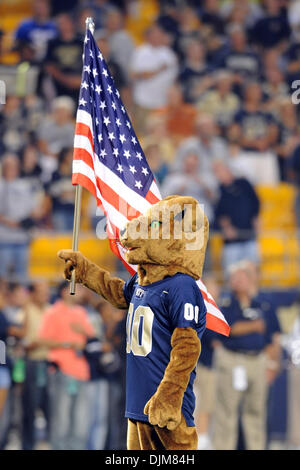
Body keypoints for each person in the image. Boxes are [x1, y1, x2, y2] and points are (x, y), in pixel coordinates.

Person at [212, 262, 273, 450]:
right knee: (227, 412)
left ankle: (257, 446)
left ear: (250, 280)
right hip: (233, 360)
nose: (239, 281)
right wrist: (253, 326)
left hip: (257, 360)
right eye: (235, 278)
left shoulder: (260, 303)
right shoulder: (226, 303)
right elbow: (228, 328)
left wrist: (272, 364)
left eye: (243, 277)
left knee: (256, 411)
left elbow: (271, 335)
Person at [38, 282, 95, 450]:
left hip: (82, 372)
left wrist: (83, 332)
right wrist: (67, 344)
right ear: (65, 291)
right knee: (61, 420)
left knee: (81, 421)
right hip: (62, 370)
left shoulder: (81, 312)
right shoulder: (53, 312)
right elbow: (42, 339)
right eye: (77, 288)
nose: (81, 291)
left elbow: (93, 338)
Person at [0, 154, 46, 281]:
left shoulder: (24, 185)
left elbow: (35, 208)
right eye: (8, 166)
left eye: (14, 166)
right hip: (3, 239)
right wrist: (9, 222)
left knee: (22, 275)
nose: (11, 169)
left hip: (22, 237)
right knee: (2, 274)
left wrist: (26, 220)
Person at [213, 160, 260, 276]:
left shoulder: (243, 183)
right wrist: (227, 228)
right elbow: (219, 214)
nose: (220, 174)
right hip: (232, 241)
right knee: (231, 273)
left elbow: (256, 203)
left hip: (249, 235)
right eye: (216, 172)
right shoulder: (219, 190)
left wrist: (257, 221)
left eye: (221, 170)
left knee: (253, 270)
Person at [130, 23, 178, 134]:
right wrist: (158, 70)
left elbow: (174, 80)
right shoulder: (140, 52)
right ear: (148, 36)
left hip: (162, 103)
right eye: (155, 34)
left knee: (160, 133)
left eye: (160, 34)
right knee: (141, 133)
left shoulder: (169, 54)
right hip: (143, 101)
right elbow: (134, 74)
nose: (158, 37)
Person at [229, 81, 279, 185]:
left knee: (269, 187)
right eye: (254, 90)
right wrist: (254, 143)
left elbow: (274, 132)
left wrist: (265, 142)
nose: (257, 93)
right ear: (246, 93)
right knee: (250, 187)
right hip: (247, 154)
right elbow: (234, 135)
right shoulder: (239, 113)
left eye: (258, 90)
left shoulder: (267, 113)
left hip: (265, 154)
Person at [21, 280, 51, 450]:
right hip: (32, 362)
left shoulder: (50, 310)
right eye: (41, 291)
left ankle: (48, 442)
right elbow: (21, 336)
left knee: (49, 405)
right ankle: (28, 444)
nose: (45, 295)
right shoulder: (26, 310)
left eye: (46, 291)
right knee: (30, 406)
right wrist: (30, 343)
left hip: (49, 362)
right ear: (32, 293)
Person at [43, 13, 83, 100]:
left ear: (72, 24)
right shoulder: (52, 43)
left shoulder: (82, 42)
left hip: (81, 85)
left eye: (65, 23)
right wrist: (65, 80)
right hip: (58, 85)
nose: (63, 26)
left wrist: (81, 80)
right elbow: (49, 66)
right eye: (60, 23)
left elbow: (90, 64)